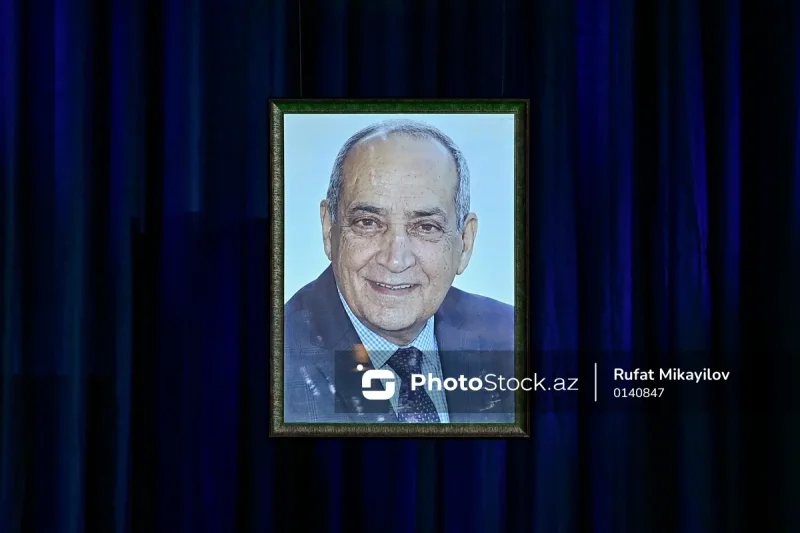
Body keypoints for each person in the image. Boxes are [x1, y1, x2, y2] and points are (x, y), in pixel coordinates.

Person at [283, 119, 515, 423]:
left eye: (426, 227)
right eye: (367, 223)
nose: (395, 260)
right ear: (329, 230)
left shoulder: (514, 336)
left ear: (465, 243)